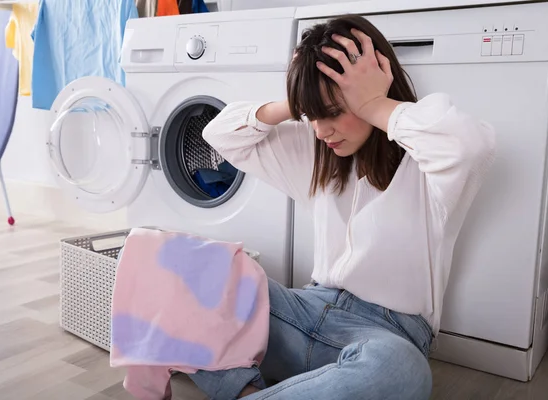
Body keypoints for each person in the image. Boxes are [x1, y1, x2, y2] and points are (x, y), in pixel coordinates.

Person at [188, 14, 496, 400]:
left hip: (385, 335)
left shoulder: (426, 165)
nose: (320, 129)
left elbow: (473, 145)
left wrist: (374, 105)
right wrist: (302, 98)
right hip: (301, 315)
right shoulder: (316, 153)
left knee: (404, 372)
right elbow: (217, 134)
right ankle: (248, 392)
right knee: (193, 271)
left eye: (333, 112)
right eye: (311, 116)